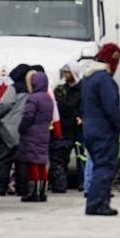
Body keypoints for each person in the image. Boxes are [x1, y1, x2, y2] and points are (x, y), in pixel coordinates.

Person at [81, 43, 120, 216]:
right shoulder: (105, 80)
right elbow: (111, 108)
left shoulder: (87, 78)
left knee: (98, 167)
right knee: (104, 168)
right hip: (103, 132)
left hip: (89, 130)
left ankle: (98, 201)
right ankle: (97, 204)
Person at [0, 63, 33, 196]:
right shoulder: (31, 89)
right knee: (22, 163)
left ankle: (0, 189)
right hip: (25, 132)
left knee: (3, 161)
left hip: (8, 130)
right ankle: (22, 190)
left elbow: (5, 104)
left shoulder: (14, 88)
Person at [17, 70, 55, 203]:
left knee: (32, 163)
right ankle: (42, 192)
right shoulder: (48, 98)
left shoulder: (33, 98)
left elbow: (28, 115)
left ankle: (33, 192)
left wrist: (20, 128)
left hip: (31, 134)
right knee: (42, 163)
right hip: (44, 133)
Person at [49, 62, 82, 194]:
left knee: (81, 157)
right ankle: (59, 183)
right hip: (64, 127)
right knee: (61, 158)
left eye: (67, 72)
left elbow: (84, 104)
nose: (65, 75)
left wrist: (80, 116)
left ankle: (82, 182)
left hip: (77, 127)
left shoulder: (81, 89)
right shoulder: (61, 89)